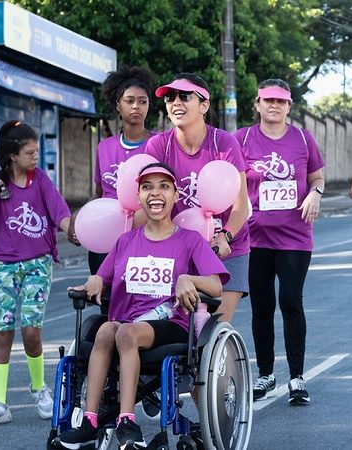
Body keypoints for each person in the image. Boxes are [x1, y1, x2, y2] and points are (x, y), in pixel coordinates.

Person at [52, 163, 228, 450]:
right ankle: (89, 420)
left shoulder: (190, 241)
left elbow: (216, 285)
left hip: (169, 325)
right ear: (139, 196)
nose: (155, 193)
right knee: (107, 329)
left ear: (175, 195)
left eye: (163, 187)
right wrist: (94, 281)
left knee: (123, 333)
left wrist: (188, 279)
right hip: (125, 324)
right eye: (147, 187)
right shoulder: (125, 241)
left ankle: (126, 421)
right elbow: (102, 276)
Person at [234, 79, 325, 405]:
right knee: (261, 307)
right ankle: (266, 374)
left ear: (289, 106)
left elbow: (316, 176)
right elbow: (226, 179)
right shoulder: (241, 139)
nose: (274, 105)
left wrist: (316, 193)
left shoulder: (302, 138)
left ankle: (297, 378)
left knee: (290, 301)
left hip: (295, 237)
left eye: (281, 101)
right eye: (267, 100)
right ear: (257, 104)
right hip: (254, 238)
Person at [143, 73, 250, 321]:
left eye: (185, 96)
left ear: (204, 105)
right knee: (173, 331)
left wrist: (225, 235)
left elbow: (241, 205)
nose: (175, 102)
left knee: (211, 330)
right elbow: (149, 203)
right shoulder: (158, 146)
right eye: (170, 97)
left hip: (226, 249)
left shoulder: (224, 143)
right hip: (180, 247)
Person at [0, 120, 72, 425]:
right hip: (5, 265)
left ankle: (39, 389)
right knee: (2, 331)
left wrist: (74, 230)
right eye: (30, 152)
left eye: (37, 151)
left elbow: (59, 211)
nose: (36, 157)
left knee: (31, 330)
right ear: (12, 155)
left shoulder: (40, 181)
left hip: (38, 262)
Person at [68, 65, 156, 274]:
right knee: (105, 301)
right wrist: (76, 217)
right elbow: (100, 193)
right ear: (118, 105)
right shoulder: (104, 147)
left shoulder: (158, 145)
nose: (136, 106)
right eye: (129, 101)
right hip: (105, 237)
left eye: (142, 101)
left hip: (144, 237)